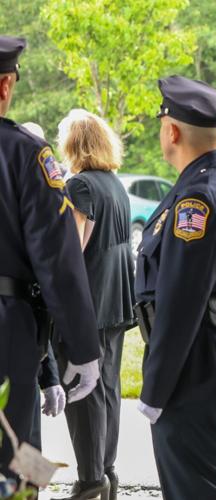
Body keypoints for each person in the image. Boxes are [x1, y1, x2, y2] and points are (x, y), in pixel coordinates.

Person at [135, 75, 216, 500]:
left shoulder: (200, 196)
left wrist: (155, 390)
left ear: (172, 131)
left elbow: (181, 300)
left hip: (197, 373)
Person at [0, 34, 100, 482]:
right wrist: (82, 348)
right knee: (15, 458)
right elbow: (57, 258)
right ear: (6, 86)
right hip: (8, 331)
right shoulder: (24, 153)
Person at [55, 109, 137, 500]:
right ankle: (105, 473)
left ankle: (90, 482)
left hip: (89, 302)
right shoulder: (114, 183)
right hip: (116, 299)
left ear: (73, 143)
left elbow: (71, 252)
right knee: (107, 386)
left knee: (81, 389)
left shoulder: (81, 186)